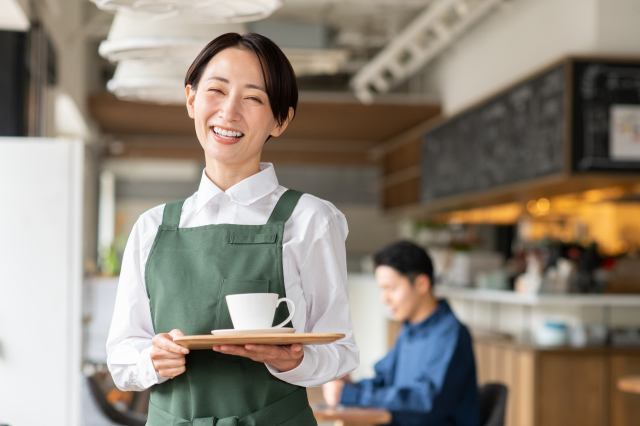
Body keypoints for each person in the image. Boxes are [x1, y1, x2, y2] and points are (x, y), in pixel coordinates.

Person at [106, 33, 359, 425]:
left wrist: (292, 361)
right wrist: (152, 360)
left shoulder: (310, 219)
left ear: (281, 119)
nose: (229, 112)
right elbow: (122, 357)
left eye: (253, 98)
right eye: (216, 90)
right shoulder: (152, 227)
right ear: (191, 99)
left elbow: (341, 350)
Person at [322, 241, 480, 426]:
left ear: (421, 284)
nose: (384, 299)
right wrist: (347, 387)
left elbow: (423, 404)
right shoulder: (410, 330)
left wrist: (351, 394)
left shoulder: (449, 334)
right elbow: (384, 380)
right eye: (382, 289)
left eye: (391, 288)